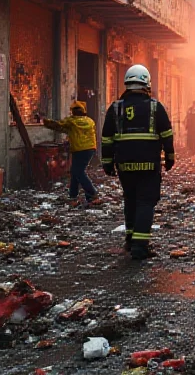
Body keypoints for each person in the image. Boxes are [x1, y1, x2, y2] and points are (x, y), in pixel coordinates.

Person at [101, 64, 175, 260]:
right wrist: (169, 157)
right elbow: (167, 134)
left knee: (130, 199)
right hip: (149, 164)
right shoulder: (154, 106)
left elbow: (107, 138)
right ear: (146, 84)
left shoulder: (115, 108)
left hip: (124, 165)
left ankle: (131, 239)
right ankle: (140, 247)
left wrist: (107, 163)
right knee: (145, 202)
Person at [43, 101, 100, 207]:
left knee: (78, 171)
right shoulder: (90, 121)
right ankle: (73, 196)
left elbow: (58, 125)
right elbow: (71, 130)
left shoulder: (71, 121)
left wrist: (45, 121)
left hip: (79, 149)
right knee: (75, 172)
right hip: (90, 149)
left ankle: (92, 194)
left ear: (73, 111)